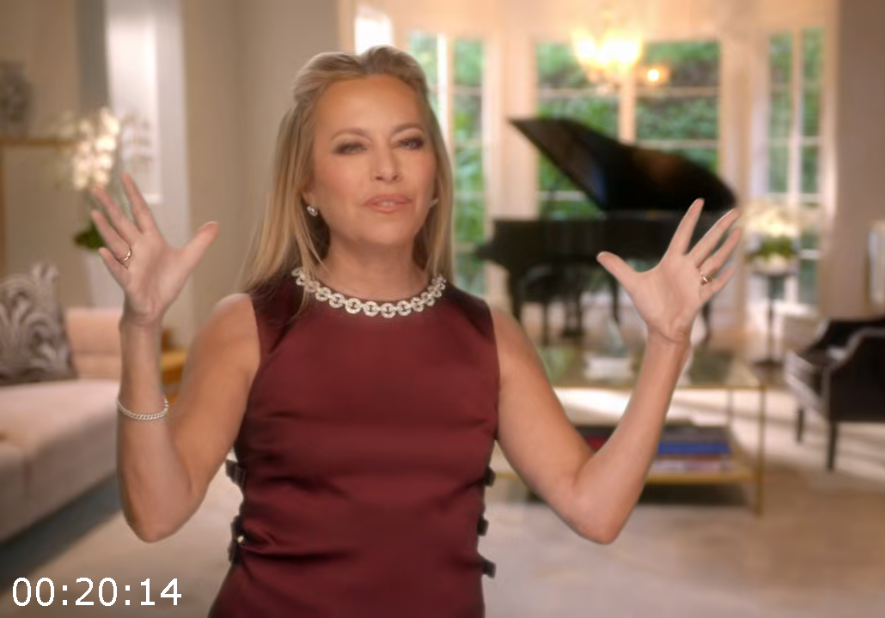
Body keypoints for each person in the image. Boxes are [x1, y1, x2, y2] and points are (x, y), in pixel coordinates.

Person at [90, 46, 741, 617]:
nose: (387, 169)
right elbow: (156, 514)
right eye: (352, 146)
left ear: (433, 177)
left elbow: (595, 511)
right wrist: (140, 328)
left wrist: (668, 345)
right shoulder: (249, 326)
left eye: (408, 142)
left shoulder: (490, 337)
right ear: (306, 185)